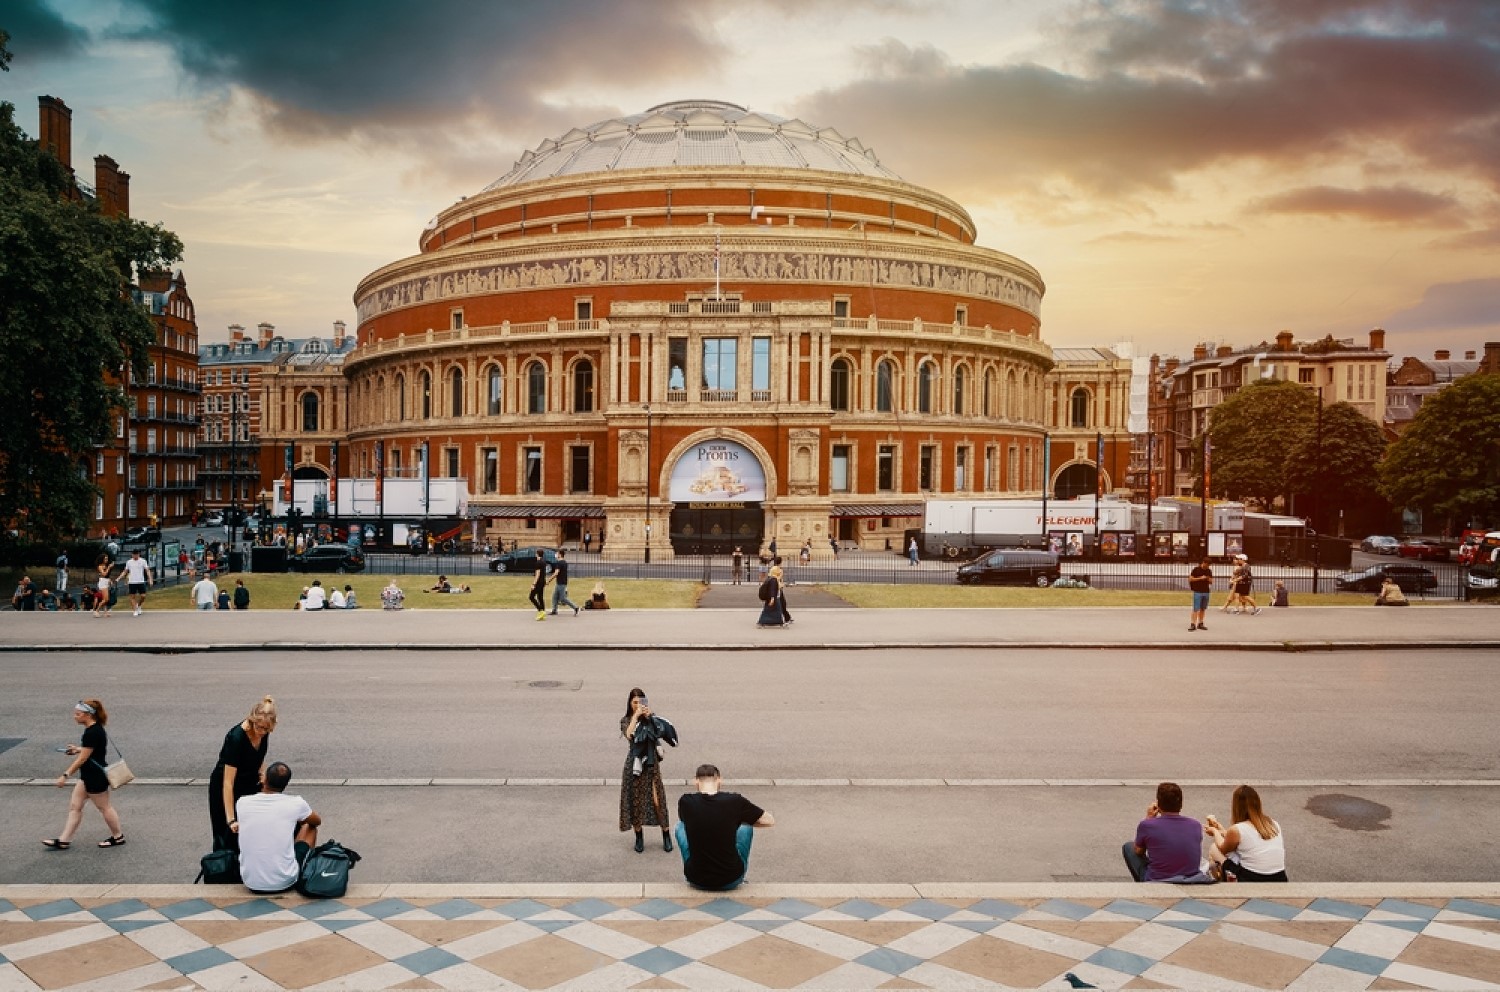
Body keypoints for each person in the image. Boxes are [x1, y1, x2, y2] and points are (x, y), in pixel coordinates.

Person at [42, 700, 125, 850]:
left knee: (105, 808)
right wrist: (78, 749)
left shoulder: (91, 733)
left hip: (95, 777)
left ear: (88, 715)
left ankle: (118, 836)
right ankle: (64, 840)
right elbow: (90, 750)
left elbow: (83, 758)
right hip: (88, 776)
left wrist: (65, 775)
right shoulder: (96, 729)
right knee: (75, 807)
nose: (75, 716)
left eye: (78, 714)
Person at [676, 763, 774, 890]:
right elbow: (769, 820)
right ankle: (741, 877)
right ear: (719, 780)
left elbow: (687, 821)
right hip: (731, 879)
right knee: (746, 827)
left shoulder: (686, 801)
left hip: (696, 880)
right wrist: (737, 821)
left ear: (696, 781)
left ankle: (692, 871)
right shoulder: (735, 801)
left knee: (680, 827)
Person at [236, 761, 322, 894]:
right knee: (309, 826)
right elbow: (316, 821)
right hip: (285, 881)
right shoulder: (296, 803)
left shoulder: (242, 802)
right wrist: (297, 819)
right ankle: (303, 867)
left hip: (250, 882)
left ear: (264, 779)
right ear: (285, 785)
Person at [209, 696, 277, 851]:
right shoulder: (236, 738)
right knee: (227, 835)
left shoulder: (263, 733)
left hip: (248, 783)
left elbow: (258, 757)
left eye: (266, 729)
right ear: (252, 720)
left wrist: (262, 772)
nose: (261, 732)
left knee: (251, 834)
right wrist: (231, 819)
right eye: (258, 727)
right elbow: (227, 783)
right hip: (226, 787)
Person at [620, 688, 678, 853]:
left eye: (641, 702)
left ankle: (666, 834)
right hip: (634, 764)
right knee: (635, 800)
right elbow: (629, 734)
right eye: (634, 702)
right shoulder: (626, 720)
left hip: (651, 764)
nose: (638, 705)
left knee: (658, 800)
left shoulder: (651, 718)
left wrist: (650, 716)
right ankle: (639, 836)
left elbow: (661, 732)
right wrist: (636, 717)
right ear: (630, 703)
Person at [1123, 782, 1209, 883]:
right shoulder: (1195, 825)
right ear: (1181, 804)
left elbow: (1138, 851)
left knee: (1128, 847)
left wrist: (1148, 818)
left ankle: (1144, 884)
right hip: (1191, 877)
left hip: (1159, 879)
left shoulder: (1147, 825)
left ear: (1158, 804)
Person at [1204, 785, 1287, 882]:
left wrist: (1214, 832)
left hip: (1251, 878)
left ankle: (1219, 880)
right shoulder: (1273, 823)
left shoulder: (1237, 829)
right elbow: (1247, 840)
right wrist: (1222, 831)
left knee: (1214, 848)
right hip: (1279, 877)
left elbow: (1223, 848)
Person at [116, 549, 153, 617]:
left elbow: (147, 570)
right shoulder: (129, 562)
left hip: (140, 581)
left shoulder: (143, 561)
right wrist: (118, 578)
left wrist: (150, 579)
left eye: (137, 554)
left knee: (143, 596)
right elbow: (125, 571)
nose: (135, 556)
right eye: (134, 554)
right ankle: (135, 610)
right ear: (132, 555)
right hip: (132, 581)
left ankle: (138, 605)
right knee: (132, 597)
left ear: (139, 554)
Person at [550, 548, 580, 616]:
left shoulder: (559, 563)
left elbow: (556, 573)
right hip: (561, 582)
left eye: (557, 554)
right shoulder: (564, 562)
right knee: (554, 597)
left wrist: (549, 580)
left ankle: (575, 607)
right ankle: (554, 610)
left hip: (561, 583)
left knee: (563, 598)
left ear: (560, 555)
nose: (556, 555)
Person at [1188, 558, 1212, 631]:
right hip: (1197, 591)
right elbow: (1190, 579)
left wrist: (1207, 578)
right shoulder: (1196, 569)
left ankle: (1200, 623)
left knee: (1203, 608)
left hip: (1206, 591)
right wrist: (1200, 578)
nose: (1207, 566)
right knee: (1196, 608)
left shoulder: (1209, 571)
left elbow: (1211, 581)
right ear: (1203, 563)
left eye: (1209, 565)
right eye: (1207, 565)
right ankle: (1193, 624)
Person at [529, 550, 553, 620]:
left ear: (537, 554)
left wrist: (533, 584)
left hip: (539, 582)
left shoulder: (538, 563)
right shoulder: (543, 562)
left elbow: (537, 574)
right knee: (540, 597)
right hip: (543, 582)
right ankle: (542, 613)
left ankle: (540, 610)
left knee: (531, 597)